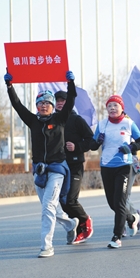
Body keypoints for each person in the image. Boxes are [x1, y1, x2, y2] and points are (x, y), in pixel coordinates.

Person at [5, 70, 79, 258]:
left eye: (47, 102)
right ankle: (71, 224)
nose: (44, 105)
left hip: (57, 169)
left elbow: (70, 101)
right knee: (50, 207)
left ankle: (47, 246)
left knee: (48, 207)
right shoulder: (33, 121)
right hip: (39, 171)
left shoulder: (60, 119)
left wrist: (70, 83)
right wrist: (10, 86)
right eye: (40, 103)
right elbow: (17, 105)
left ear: (53, 106)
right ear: (37, 106)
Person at [90, 95, 140, 248]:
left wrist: (131, 147)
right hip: (107, 166)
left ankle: (117, 236)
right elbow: (92, 145)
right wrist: (97, 141)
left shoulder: (128, 124)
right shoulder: (102, 124)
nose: (112, 108)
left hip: (124, 166)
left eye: (116, 105)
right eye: (110, 106)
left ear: (122, 108)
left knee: (120, 202)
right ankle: (132, 218)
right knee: (112, 203)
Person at [54, 91, 94, 244]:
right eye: (57, 101)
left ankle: (85, 220)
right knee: (63, 201)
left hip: (75, 164)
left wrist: (77, 146)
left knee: (71, 199)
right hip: (58, 165)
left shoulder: (76, 119)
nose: (59, 103)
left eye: (62, 100)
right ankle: (78, 230)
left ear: (68, 103)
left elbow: (90, 139)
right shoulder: (53, 120)